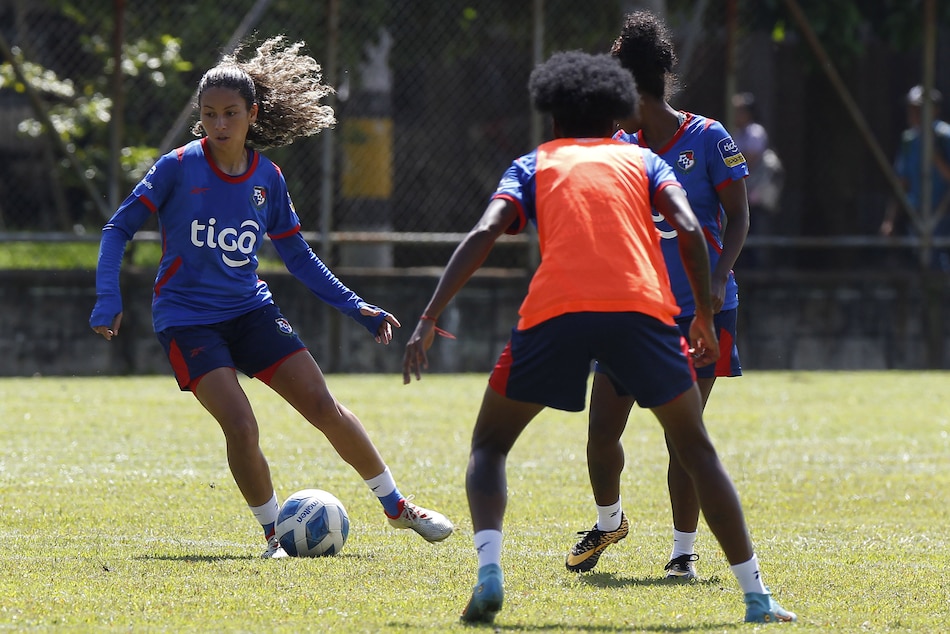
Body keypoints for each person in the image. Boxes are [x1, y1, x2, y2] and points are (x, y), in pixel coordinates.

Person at [402, 50, 795, 625]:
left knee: (489, 446)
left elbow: (485, 231)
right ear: (617, 112)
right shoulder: (641, 160)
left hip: (555, 311)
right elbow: (688, 226)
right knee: (695, 448)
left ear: (553, 119)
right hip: (642, 311)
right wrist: (705, 316)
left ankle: (489, 572)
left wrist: (430, 315)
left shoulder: (534, 163)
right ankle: (756, 597)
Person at [89, 36, 453, 559]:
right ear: (200, 116)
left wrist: (358, 306)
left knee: (324, 406)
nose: (219, 124)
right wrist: (107, 296)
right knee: (241, 423)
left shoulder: (268, 179)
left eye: (231, 113)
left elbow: (299, 258)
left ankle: (397, 508)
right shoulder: (176, 166)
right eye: (209, 114)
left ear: (252, 114)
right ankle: (273, 537)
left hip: (251, 310)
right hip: (188, 321)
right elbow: (117, 227)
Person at [568, 10, 752, 584]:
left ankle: (683, 553)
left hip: (700, 314)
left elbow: (739, 214)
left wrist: (717, 280)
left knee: (683, 439)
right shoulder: (619, 146)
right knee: (601, 431)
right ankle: (609, 521)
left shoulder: (708, 137)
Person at [879, 84, 950, 271]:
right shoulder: (909, 140)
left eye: (919, 109)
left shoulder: (945, 137)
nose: (913, 113)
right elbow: (902, 183)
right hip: (916, 216)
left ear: (934, 110)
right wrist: (890, 220)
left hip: (943, 216)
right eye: (911, 108)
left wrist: (934, 156)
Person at [732, 91, 784, 263]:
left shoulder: (755, 132)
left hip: (756, 191)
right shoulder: (738, 133)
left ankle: (759, 273)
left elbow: (750, 159)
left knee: (756, 231)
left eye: (739, 111)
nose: (735, 115)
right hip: (743, 190)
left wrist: (730, 159)